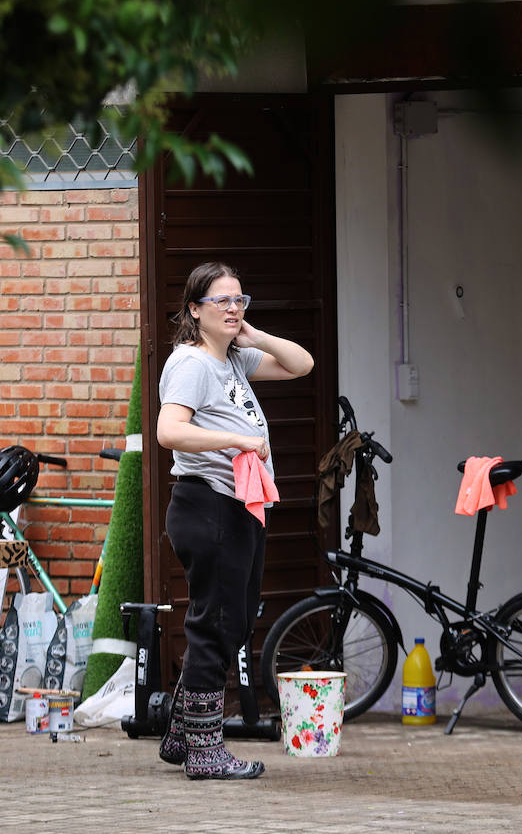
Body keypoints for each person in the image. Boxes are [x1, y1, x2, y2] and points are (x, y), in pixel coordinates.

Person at [154, 261, 314, 780]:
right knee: (215, 624)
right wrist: (238, 440)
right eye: (220, 300)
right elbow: (168, 431)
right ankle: (204, 749)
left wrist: (254, 333)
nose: (232, 308)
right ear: (194, 309)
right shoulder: (192, 364)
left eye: (239, 300)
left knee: (236, 618)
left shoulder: (235, 361)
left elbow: (301, 364)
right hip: (207, 504)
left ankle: (182, 735)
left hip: (239, 506)